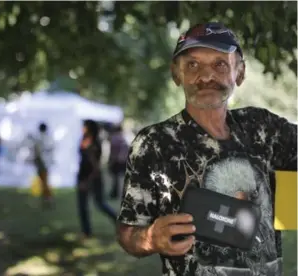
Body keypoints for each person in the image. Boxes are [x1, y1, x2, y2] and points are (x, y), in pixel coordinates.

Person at [116, 22, 297, 276]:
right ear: (176, 74)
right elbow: (127, 231)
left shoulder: (263, 128)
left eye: (219, 64)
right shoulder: (153, 143)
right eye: (192, 65)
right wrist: (150, 237)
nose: (206, 77)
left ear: (240, 73)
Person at [77, 120, 117, 239]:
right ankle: (86, 231)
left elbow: (95, 166)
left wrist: (86, 181)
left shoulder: (94, 143)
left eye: (84, 126)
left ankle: (119, 222)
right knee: (86, 205)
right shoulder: (85, 140)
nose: (82, 128)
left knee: (98, 204)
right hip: (84, 176)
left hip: (91, 177)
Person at [31, 122, 54, 208]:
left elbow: (37, 151)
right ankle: (46, 198)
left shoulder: (39, 138)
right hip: (46, 162)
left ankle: (48, 198)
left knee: (44, 181)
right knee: (44, 181)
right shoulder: (49, 138)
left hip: (41, 162)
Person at [108, 124, 129, 199]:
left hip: (117, 161)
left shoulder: (114, 138)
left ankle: (114, 193)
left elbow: (113, 152)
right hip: (125, 160)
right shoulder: (125, 137)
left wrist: (110, 162)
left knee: (115, 178)